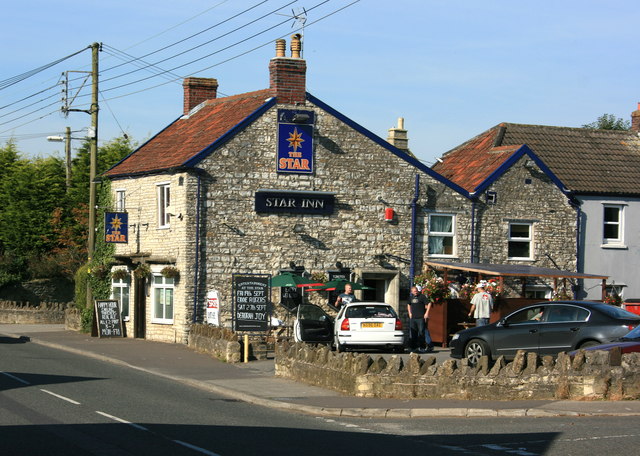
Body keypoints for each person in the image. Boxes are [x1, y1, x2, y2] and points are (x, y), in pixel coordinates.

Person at [408, 285, 434, 353]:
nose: (415, 292)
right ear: (412, 292)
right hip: (413, 318)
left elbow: (429, 303)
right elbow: (408, 304)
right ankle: (414, 348)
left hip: (420, 318)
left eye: (416, 291)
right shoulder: (411, 298)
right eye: (414, 291)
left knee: (421, 333)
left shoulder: (422, 297)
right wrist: (409, 313)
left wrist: (426, 313)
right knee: (413, 333)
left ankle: (422, 347)